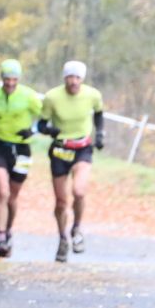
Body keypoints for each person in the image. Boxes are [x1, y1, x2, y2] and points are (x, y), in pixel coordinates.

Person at [36, 59, 104, 262]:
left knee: (79, 191)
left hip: (82, 148)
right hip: (59, 149)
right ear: (64, 78)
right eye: (70, 77)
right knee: (61, 201)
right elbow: (40, 124)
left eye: (77, 77)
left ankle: (76, 229)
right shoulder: (52, 97)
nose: (73, 81)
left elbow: (99, 114)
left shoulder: (92, 95)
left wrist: (100, 134)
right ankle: (62, 238)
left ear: (82, 79)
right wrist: (49, 130)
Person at [0, 58, 41, 258]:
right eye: (6, 80)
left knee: (13, 196)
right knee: (3, 192)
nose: (10, 84)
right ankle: (1, 238)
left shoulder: (29, 96)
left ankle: (9, 230)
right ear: (1, 79)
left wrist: (33, 130)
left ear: (18, 79)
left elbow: (45, 118)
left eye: (14, 80)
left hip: (22, 149)